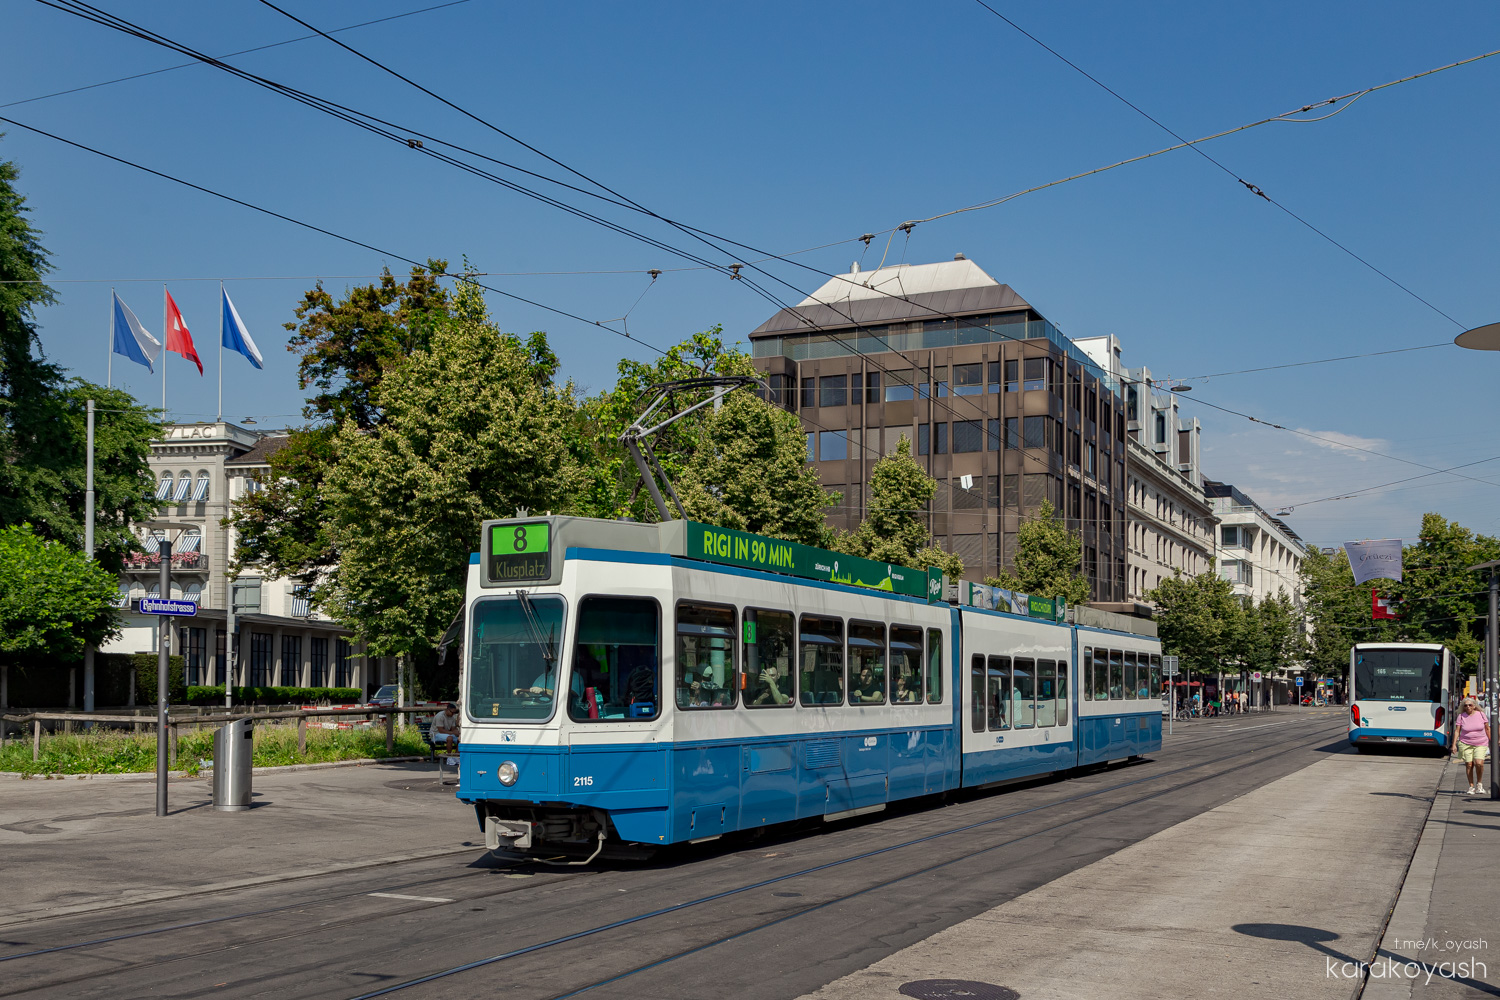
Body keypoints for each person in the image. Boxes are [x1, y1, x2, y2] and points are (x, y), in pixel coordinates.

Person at [1453, 696, 1492, 795]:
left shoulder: (1481, 715)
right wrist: (1454, 745)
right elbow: (1457, 731)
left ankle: (1479, 784)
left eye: (1470, 705)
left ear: (1474, 706)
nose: (1468, 707)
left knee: (1479, 763)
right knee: (1469, 764)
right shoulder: (1461, 716)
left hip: (1481, 742)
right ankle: (1471, 786)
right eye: (1465, 705)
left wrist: (1492, 742)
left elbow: (1487, 728)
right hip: (1466, 743)